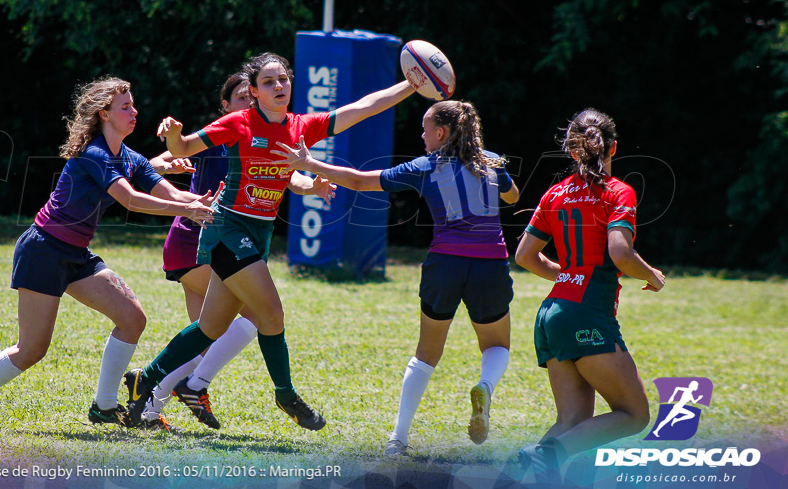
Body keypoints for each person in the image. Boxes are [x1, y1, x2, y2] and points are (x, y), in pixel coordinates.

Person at [124, 52, 416, 431]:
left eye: (284, 80)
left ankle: (142, 382)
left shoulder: (301, 126)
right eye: (269, 82)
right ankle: (286, 395)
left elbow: (364, 107)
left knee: (209, 329)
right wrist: (174, 133)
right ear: (255, 91)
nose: (279, 86)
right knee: (272, 315)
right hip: (228, 228)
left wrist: (412, 84)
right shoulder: (238, 123)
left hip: (257, 235)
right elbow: (181, 150)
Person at [0, 77, 216, 430]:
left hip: (76, 254)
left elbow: (169, 193)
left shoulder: (129, 157)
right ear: (104, 113)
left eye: (133, 105)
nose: (135, 112)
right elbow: (131, 200)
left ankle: (104, 407)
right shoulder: (94, 153)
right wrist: (187, 210)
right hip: (43, 250)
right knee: (32, 350)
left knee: (132, 318)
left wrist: (200, 202)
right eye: (125, 107)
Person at [272, 99, 519, 453]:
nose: (421, 135)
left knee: (426, 354)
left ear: (441, 133)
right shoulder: (491, 161)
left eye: (424, 128)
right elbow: (512, 196)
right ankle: (486, 387)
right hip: (490, 264)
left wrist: (310, 163)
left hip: (445, 264)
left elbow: (359, 180)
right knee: (496, 345)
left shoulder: (425, 165)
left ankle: (398, 438)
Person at [143, 72, 336, 430]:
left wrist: (309, 185)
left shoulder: (263, 134)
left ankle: (150, 394)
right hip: (196, 237)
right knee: (258, 315)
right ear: (226, 107)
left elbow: (285, 174)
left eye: (253, 98)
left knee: (208, 332)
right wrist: (167, 163)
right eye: (244, 98)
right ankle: (191, 385)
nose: (252, 104)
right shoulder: (224, 133)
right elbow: (149, 164)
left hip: (223, 237)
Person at [513, 108, 665, 477]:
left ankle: (522, 471)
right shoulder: (618, 191)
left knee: (572, 421)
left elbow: (524, 256)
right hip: (585, 315)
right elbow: (619, 253)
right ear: (613, 148)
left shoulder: (555, 193)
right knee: (633, 414)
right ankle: (540, 456)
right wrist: (652, 275)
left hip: (551, 314)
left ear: (573, 151)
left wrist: (567, 278)